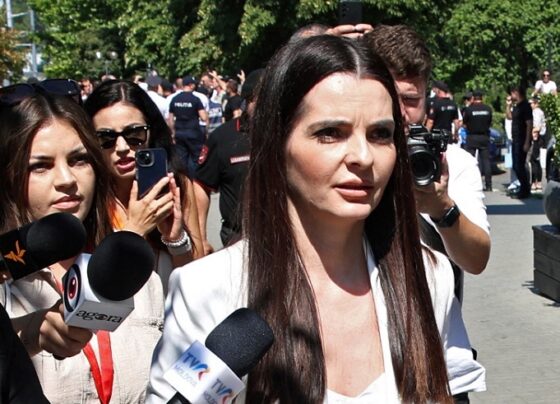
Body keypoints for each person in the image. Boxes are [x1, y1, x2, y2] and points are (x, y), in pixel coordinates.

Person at [148, 35, 485, 403]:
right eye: (330, 133)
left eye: (380, 134)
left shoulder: (429, 277)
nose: (362, 157)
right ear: (277, 143)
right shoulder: (208, 287)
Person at [0, 92, 164, 403]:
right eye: (40, 166)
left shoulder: (139, 277)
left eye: (79, 160)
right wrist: (27, 334)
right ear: (9, 177)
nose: (66, 179)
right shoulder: (5, 286)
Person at [364, 25, 490, 297]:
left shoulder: (453, 162)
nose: (399, 112)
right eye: (389, 96)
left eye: (410, 100)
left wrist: (441, 207)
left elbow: (476, 260)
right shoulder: (347, 159)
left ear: (426, 99)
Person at [84, 80, 204, 288]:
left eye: (134, 134)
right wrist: (135, 230)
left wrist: (176, 240)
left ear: (151, 132)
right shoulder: (86, 195)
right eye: (106, 138)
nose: (122, 147)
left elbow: (195, 277)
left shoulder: (177, 184)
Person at [194, 69, 263, 254]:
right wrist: (201, 239)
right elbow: (201, 185)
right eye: (260, 99)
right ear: (247, 100)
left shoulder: (290, 132)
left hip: (287, 236)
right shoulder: (223, 138)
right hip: (238, 238)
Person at [166, 75, 208, 178]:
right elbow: (204, 117)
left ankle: (184, 181)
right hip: (194, 133)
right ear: (191, 85)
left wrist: (173, 134)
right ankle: (194, 180)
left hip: (180, 133)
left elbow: (170, 120)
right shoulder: (195, 99)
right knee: (196, 159)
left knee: (181, 159)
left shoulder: (175, 99)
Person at [462, 90, 493, 191]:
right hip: (484, 137)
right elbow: (489, 123)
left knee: (469, 161)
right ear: (482, 98)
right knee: (486, 161)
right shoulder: (488, 109)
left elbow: (464, 123)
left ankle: (470, 183)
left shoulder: (469, 109)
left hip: (472, 137)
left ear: (473, 98)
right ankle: (488, 185)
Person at [506, 86, 533, 199]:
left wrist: (527, 141)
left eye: (512, 93)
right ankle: (524, 188)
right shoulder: (517, 106)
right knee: (516, 165)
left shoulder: (525, 106)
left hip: (522, 139)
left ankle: (525, 189)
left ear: (517, 93)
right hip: (516, 139)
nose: (510, 95)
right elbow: (509, 117)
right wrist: (508, 105)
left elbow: (529, 124)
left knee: (519, 166)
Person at [529, 96, 546, 191]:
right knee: (535, 160)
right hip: (538, 138)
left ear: (535, 103)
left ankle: (535, 182)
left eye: (531, 103)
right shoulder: (539, 112)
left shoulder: (536, 112)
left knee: (534, 161)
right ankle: (537, 182)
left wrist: (530, 132)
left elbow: (537, 127)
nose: (530, 105)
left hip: (536, 139)